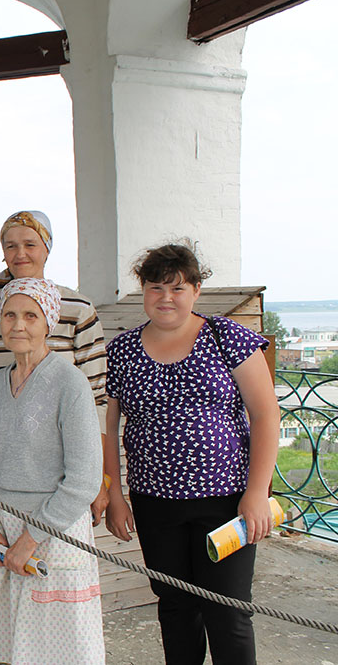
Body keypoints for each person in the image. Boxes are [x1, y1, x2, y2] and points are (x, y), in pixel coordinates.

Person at [103, 243, 279, 664]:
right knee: (175, 607)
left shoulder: (227, 337)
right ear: (143, 291)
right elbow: (107, 428)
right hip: (155, 503)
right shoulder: (122, 351)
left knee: (228, 612)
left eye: (177, 288)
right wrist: (114, 495)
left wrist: (256, 493)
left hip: (226, 502)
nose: (166, 297)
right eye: (155, 287)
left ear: (196, 290)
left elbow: (266, 414)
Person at [0, 278, 104, 665]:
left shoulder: (70, 383)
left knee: (53, 653)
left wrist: (31, 538)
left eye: (30, 316)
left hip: (52, 533)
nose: (18, 325)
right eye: (9, 315)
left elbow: (84, 480)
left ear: (49, 322)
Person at [0, 210, 110, 525]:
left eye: (30, 244)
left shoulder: (79, 308)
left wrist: (98, 477)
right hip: (6, 470)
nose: (20, 253)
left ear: (47, 248)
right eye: (11, 246)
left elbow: (97, 398)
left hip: (62, 471)